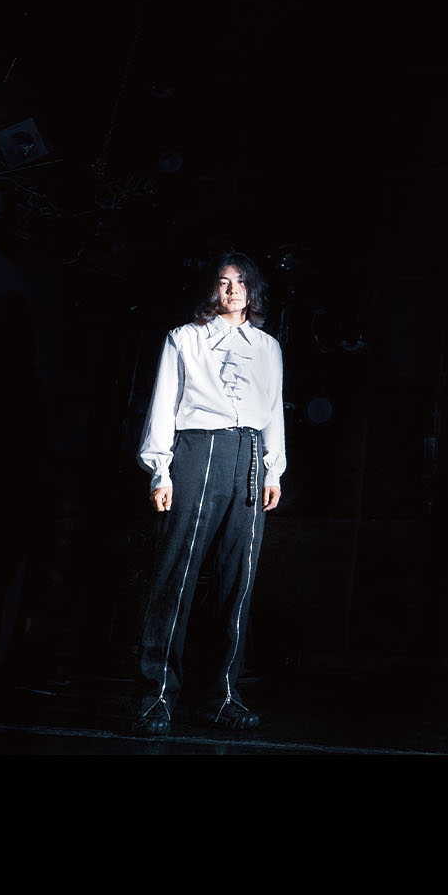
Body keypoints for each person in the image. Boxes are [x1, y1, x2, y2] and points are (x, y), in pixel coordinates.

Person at [133, 254, 285, 734]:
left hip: (250, 454)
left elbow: (274, 409)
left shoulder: (267, 347)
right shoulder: (185, 338)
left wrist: (274, 470)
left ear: (252, 290)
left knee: (237, 581)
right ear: (212, 290)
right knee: (176, 576)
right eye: (223, 282)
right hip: (198, 449)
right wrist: (160, 471)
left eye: (240, 282)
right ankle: (157, 695)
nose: (232, 290)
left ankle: (222, 695)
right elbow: (163, 404)